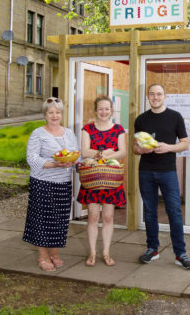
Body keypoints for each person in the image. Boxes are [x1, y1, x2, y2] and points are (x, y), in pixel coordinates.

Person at [133, 84, 190, 270]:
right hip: (146, 171)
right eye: (152, 94)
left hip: (168, 171)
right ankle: (152, 249)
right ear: (148, 97)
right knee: (149, 211)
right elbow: (135, 148)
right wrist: (143, 149)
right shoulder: (141, 119)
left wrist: (168, 147)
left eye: (159, 94)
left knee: (174, 212)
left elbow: (184, 144)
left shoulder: (175, 117)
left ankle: (180, 253)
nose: (155, 97)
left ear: (165, 96)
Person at [23, 97, 79, 272]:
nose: (55, 115)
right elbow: (31, 158)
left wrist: (73, 162)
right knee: (42, 219)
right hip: (43, 182)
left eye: (58, 112)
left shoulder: (69, 133)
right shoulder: (38, 133)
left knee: (60, 219)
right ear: (45, 115)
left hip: (63, 182)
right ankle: (43, 256)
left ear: (62, 114)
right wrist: (54, 164)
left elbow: (76, 154)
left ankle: (54, 253)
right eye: (51, 112)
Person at [77, 96, 127, 267]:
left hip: (110, 179)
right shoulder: (87, 129)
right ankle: (92, 252)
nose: (104, 112)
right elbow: (84, 152)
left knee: (107, 216)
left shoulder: (118, 129)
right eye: (100, 109)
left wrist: (99, 153)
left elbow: (123, 152)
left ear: (111, 111)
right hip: (93, 179)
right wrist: (106, 153)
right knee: (92, 216)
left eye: (107, 109)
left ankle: (106, 252)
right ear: (95, 111)